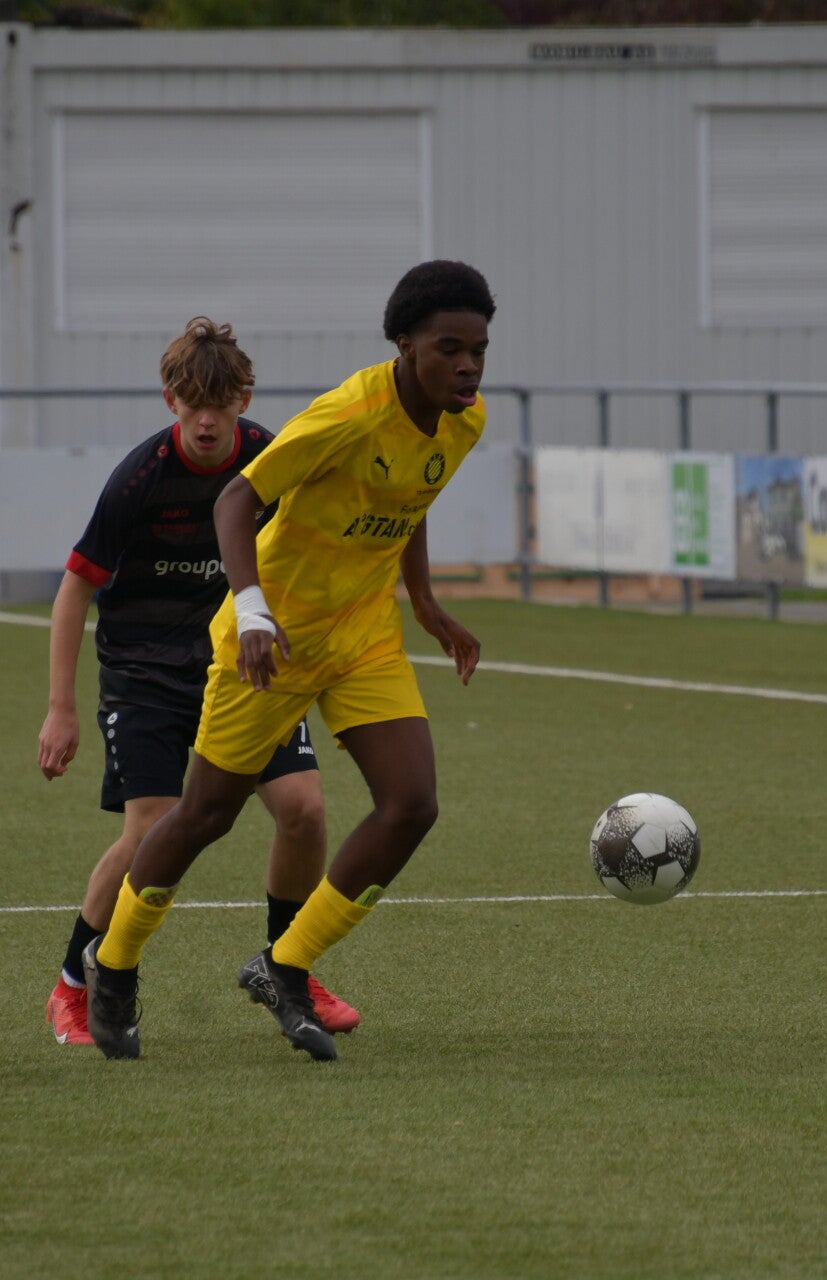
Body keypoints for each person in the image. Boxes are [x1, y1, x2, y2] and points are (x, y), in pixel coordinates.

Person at [83, 260, 492, 1063]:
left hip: (362, 635)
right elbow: (236, 498)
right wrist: (253, 610)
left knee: (411, 804)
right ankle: (115, 964)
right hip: (270, 639)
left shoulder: (463, 421)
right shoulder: (349, 413)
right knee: (204, 816)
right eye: (450, 349)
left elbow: (409, 501)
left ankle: (286, 965)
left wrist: (425, 601)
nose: (468, 366)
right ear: (406, 345)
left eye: (478, 350)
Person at [36, 317, 358, 1049]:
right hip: (144, 673)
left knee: (304, 810)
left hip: (244, 667)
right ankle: (75, 986)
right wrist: (61, 709)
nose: (206, 421)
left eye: (220, 404)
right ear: (170, 401)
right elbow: (74, 589)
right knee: (152, 826)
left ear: (244, 399)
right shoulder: (141, 476)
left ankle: (288, 969)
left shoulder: (271, 459)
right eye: (192, 405)